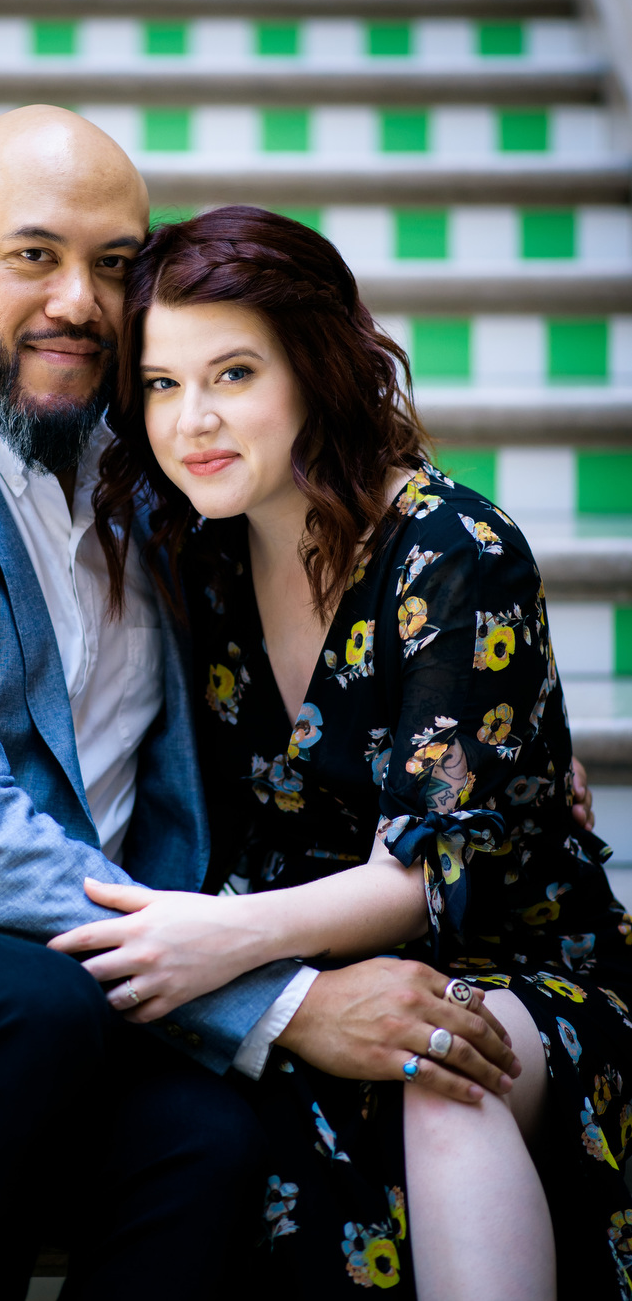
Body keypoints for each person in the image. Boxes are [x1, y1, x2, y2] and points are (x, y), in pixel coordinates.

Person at [0, 112, 592, 1299]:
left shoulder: (150, 483)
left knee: (205, 1146)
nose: (80, 302)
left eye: (113, 264)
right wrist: (283, 1003)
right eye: (32, 256)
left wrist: (499, 748)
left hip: (77, 1003)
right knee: (23, 1009)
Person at [51, 204, 631, 1300]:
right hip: (302, 981)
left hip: (506, 969)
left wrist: (218, 937)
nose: (192, 423)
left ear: (315, 372)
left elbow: (427, 878)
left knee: (438, 1069)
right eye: (163, 383)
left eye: (232, 374)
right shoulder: (194, 554)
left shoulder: (452, 553)